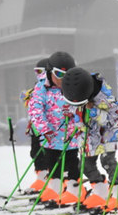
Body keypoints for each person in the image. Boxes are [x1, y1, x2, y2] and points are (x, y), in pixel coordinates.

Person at [61, 67, 118, 210]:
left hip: (107, 133)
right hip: (88, 134)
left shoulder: (104, 96)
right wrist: (71, 117)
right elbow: (74, 109)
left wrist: (93, 110)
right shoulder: (73, 92)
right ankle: (100, 192)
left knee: (107, 161)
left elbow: (114, 117)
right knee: (85, 165)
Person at [26, 51, 85, 205]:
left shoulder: (73, 86)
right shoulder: (41, 88)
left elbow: (82, 106)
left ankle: (74, 189)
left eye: (67, 74)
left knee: (72, 163)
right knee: (53, 164)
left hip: (70, 137)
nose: (62, 79)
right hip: (51, 137)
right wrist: (44, 129)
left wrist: (74, 116)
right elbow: (35, 110)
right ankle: (55, 188)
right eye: (58, 74)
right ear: (49, 72)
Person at [21, 58, 51, 193]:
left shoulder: (50, 86)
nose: (38, 74)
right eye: (36, 71)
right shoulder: (38, 85)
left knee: (47, 153)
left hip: (47, 126)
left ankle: (54, 179)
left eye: (40, 71)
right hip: (35, 126)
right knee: (35, 152)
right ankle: (41, 178)